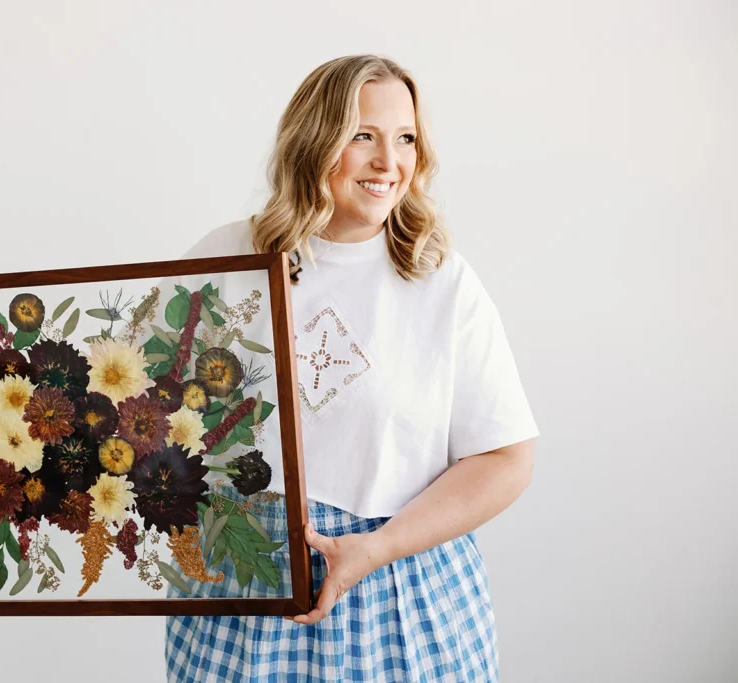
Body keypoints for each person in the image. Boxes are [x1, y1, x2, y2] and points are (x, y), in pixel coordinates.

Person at [161, 54, 539, 681]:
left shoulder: (441, 282)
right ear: (315, 139)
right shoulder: (228, 257)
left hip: (399, 592)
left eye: (406, 139)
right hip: (244, 588)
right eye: (363, 135)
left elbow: (506, 459)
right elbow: (137, 409)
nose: (389, 162)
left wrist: (378, 547)